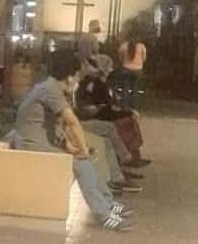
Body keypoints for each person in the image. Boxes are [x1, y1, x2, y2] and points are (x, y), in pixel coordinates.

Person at [11, 50, 134, 230]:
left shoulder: (51, 87)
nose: (77, 81)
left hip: (40, 142)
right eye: (76, 77)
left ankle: (108, 205)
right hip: (31, 145)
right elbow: (72, 122)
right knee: (82, 163)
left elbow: (54, 125)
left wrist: (72, 146)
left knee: (86, 160)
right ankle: (103, 214)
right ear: (69, 77)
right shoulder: (51, 89)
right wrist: (82, 149)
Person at [75, 55, 151, 167]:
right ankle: (129, 159)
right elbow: (104, 109)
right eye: (109, 68)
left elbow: (107, 105)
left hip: (99, 114)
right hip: (97, 116)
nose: (110, 71)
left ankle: (132, 157)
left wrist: (123, 110)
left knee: (129, 120)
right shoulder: (95, 83)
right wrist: (126, 112)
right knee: (126, 122)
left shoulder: (97, 82)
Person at [118, 24, 146, 110]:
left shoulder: (124, 45)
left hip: (126, 69)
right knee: (135, 88)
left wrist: (124, 62)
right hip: (138, 70)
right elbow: (144, 59)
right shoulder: (142, 46)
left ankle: (124, 106)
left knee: (125, 88)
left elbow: (120, 57)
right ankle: (134, 107)